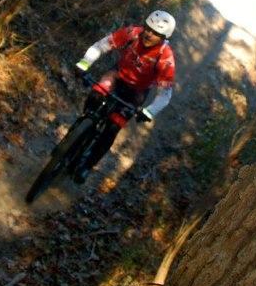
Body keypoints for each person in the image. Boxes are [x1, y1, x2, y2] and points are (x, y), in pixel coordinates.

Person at [72, 10, 177, 183]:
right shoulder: (133, 33)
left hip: (136, 92)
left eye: (156, 33)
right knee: (96, 94)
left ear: (164, 37)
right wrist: (84, 63)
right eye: (148, 28)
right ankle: (83, 125)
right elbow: (102, 45)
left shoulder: (165, 57)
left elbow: (165, 93)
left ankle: (87, 166)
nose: (149, 34)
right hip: (117, 75)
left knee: (112, 128)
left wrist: (149, 111)